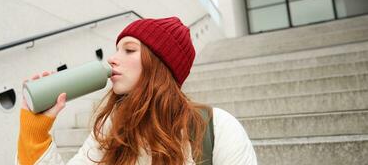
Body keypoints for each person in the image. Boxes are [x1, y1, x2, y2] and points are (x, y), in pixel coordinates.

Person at [16, 17, 257, 165]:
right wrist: (35, 131)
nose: (112, 59)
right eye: (117, 49)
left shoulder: (218, 129)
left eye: (129, 50)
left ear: (160, 65)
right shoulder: (112, 128)